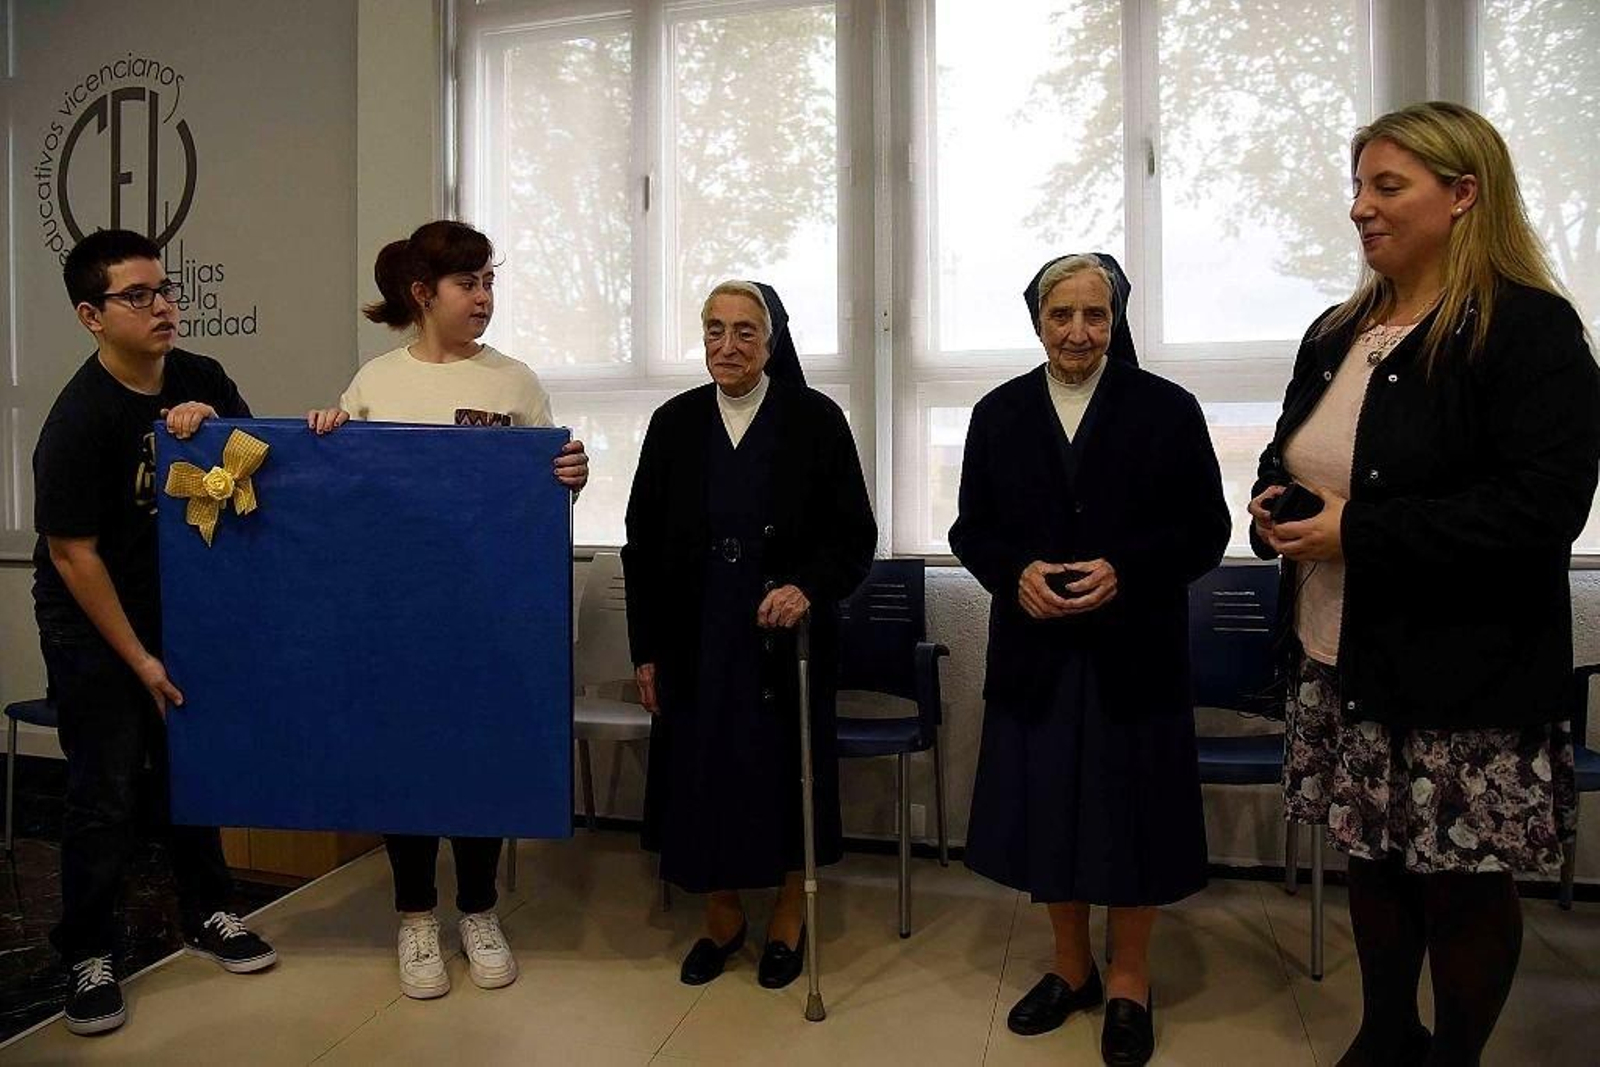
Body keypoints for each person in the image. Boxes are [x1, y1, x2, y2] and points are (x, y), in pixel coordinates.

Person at [1248, 101, 1600, 1067]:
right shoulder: (1339, 332)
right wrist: (1272, 509)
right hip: (1341, 652)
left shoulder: (1528, 330)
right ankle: (1386, 1034)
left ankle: (1454, 1056)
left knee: (1461, 883)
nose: (1361, 208)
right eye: (1357, 187)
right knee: (1373, 858)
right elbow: (1295, 458)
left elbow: (1541, 509)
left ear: (1463, 194)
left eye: (1386, 186)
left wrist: (1354, 530)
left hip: (1465, 671)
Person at [950, 253, 1229, 1067]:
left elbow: (1206, 527)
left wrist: (1128, 568)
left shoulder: (1167, 409)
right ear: (1036, 321)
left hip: (1132, 652)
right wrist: (1015, 572)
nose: (1078, 331)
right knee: (1050, 815)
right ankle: (1072, 969)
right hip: (1036, 650)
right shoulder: (998, 412)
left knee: (1131, 817)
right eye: (1060, 315)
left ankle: (1132, 979)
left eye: (1094, 315)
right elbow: (973, 527)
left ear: (1116, 319)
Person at [306, 219, 589, 1000]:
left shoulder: (515, 382)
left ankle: (479, 908)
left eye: (491, 281)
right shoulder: (375, 382)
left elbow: (546, 490)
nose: (485, 298)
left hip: (487, 614)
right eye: (470, 284)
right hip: (396, 616)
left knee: (478, 758)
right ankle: (415, 916)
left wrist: (573, 471)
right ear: (423, 294)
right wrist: (326, 437)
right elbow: (341, 499)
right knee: (407, 760)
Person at [32, 229, 278, 1036]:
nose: (163, 305)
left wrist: (211, 427)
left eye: (165, 289)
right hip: (92, 622)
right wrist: (138, 658)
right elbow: (74, 556)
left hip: (186, 612)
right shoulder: (78, 419)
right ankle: (88, 953)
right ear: (91, 315)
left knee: (190, 765)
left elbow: (254, 470)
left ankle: (209, 910)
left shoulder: (202, 374)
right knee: (103, 787)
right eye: (137, 295)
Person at [621, 280, 875, 989]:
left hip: (781, 642)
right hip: (693, 640)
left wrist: (809, 587)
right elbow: (640, 541)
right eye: (713, 330)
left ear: (772, 341)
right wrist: (645, 647)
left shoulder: (816, 420)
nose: (726, 346)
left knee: (784, 780)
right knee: (700, 778)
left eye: (744, 332)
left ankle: (789, 916)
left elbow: (855, 536)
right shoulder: (673, 422)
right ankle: (722, 917)